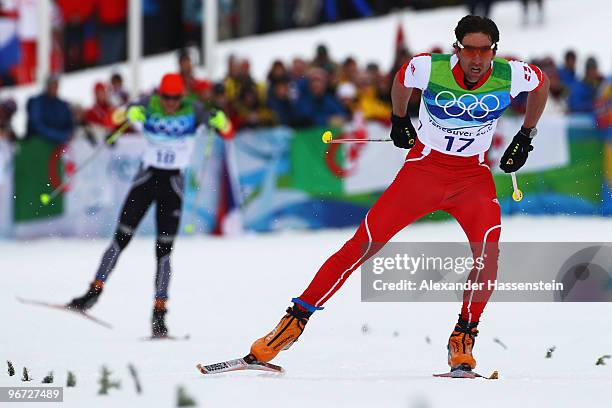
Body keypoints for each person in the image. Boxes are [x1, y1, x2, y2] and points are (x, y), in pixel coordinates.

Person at [248, 15, 549, 373]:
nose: (476, 59)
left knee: (489, 258)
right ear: (457, 49)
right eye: (469, 50)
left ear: (493, 51)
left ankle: (463, 337)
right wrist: (399, 118)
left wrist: (526, 136)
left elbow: (541, 85)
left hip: (473, 179)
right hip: (422, 173)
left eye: (484, 50)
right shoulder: (429, 67)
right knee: (361, 246)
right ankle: (292, 324)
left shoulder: (510, 74)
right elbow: (403, 77)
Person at [66, 73, 232, 338]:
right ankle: (92, 294)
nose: (169, 103)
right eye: (165, 97)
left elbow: (228, 131)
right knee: (120, 238)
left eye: (175, 98)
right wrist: (124, 116)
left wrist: (222, 122)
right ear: (159, 94)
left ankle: (159, 315)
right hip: (146, 180)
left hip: (173, 186)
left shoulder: (195, 110)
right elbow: (111, 120)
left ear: (182, 96)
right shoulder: (147, 103)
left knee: (164, 252)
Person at [26, 75, 74, 145]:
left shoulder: (62, 105)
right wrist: (58, 136)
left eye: (56, 85)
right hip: (39, 143)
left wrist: (66, 135)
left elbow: (70, 124)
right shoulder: (37, 102)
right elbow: (36, 125)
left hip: (60, 144)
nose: (54, 87)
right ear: (47, 86)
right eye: (52, 85)